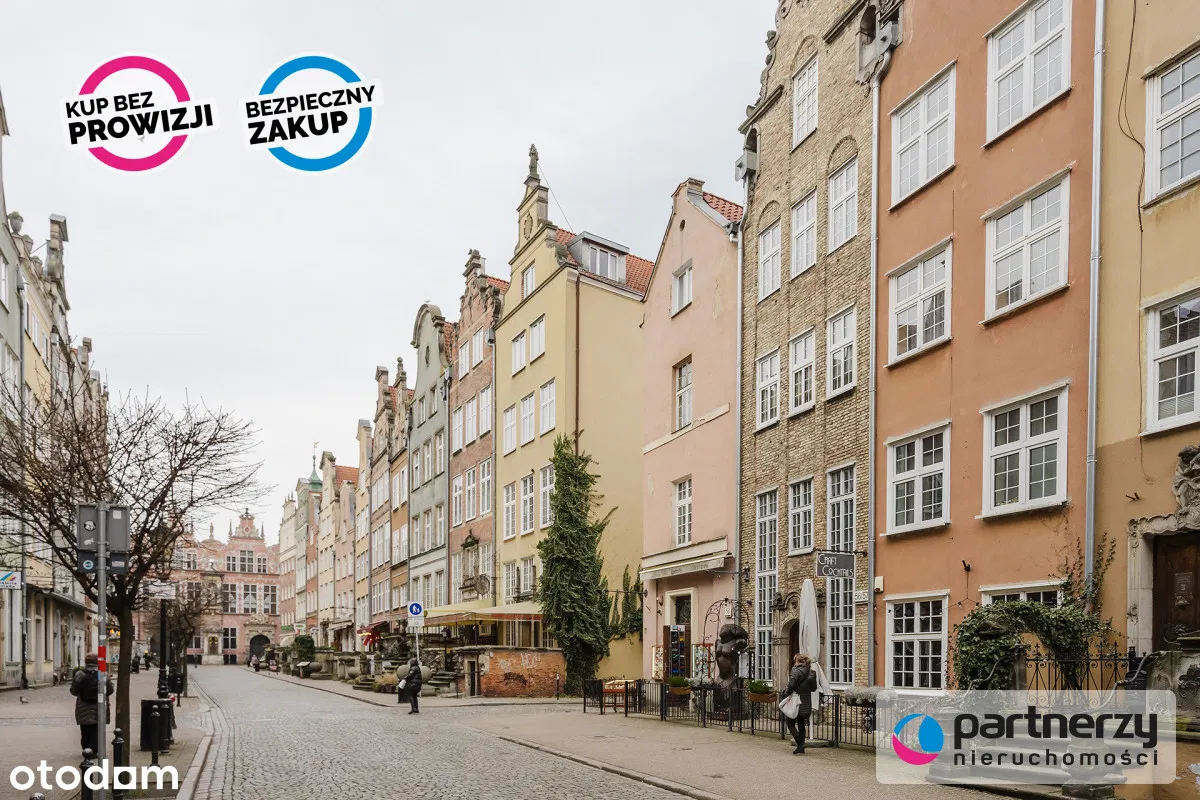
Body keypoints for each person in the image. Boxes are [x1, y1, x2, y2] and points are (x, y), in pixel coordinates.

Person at [69, 654, 113, 755]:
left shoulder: (79, 674)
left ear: (86, 662)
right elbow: (110, 690)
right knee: (97, 730)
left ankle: (86, 751)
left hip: (83, 708)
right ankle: (95, 751)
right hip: (99, 707)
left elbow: (73, 691)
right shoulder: (103, 674)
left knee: (85, 731)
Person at [781, 653, 817, 755]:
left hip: (796, 700)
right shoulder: (811, 672)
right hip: (806, 701)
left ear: (797, 660)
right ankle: (801, 747)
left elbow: (791, 685)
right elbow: (813, 688)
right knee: (801, 723)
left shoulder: (796, 670)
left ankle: (800, 743)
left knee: (790, 723)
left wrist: (786, 693)